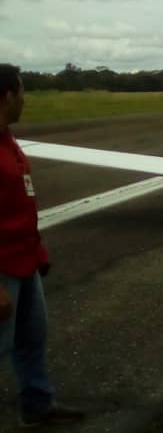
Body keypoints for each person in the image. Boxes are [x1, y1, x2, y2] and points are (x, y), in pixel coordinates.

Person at [0, 63, 86, 427]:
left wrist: (39, 253)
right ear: (7, 96)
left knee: (32, 338)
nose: (25, 99)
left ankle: (38, 405)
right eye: (22, 92)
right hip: (2, 266)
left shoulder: (8, 139)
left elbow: (22, 200)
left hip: (26, 258)